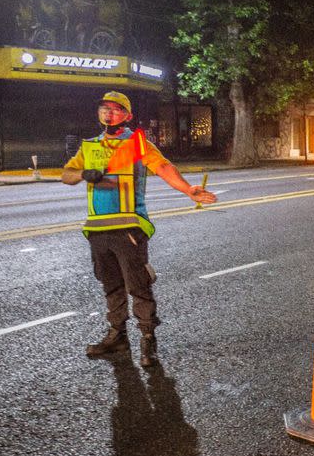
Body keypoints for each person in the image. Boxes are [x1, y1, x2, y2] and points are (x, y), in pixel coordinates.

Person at [62, 91, 217, 366]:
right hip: (97, 228)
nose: (109, 113)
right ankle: (117, 336)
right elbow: (67, 175)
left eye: (116, 109)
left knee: (138, 285)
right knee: (111, 286)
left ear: (128, 116)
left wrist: (187, 189)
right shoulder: (90, 146)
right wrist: (83, 174)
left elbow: (163, 166)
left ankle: (148, 340)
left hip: (129, 227)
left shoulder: (137, 143)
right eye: (105, 109)